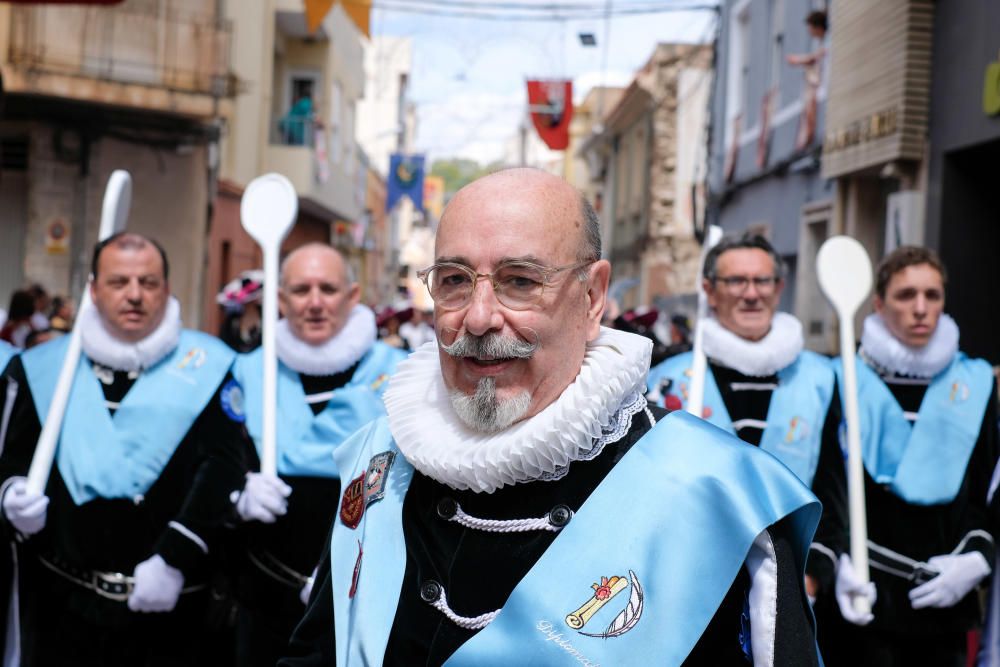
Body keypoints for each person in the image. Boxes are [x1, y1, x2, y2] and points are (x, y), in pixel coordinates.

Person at [279, 169, 823, 666]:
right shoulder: (382, 460)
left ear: (592, 297)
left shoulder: (717, 499)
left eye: (520, 281)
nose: (479, 316)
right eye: (453, 280)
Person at [0, 232, 250, 666]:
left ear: (167, 290)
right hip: (62, 608)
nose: (134, 295)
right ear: (94, 290)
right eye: (119, 282)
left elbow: (224, 467)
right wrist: (11, 493)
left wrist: (175, 556)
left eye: (148, 282)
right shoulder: (40, 367)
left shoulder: (210, 365)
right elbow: (12, 457)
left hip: (172, 612)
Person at [645, 234, 849, 630]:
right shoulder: (667, 380)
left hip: (791, 583)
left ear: (779, 288)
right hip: (690, 587)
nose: (751, 294)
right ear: (709, 290)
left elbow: (833, 487)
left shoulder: (821, 378)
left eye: (763, 281)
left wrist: (815, 573)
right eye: (737, 281)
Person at [230, 243, 406, 667]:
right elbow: (214, 463)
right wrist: (236, 494)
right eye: (300, 289)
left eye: (327, 289)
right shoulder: (244, 372)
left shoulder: (404, 375)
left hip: (366, 602)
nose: (313, 303)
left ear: (352, 295)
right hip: (265, 592)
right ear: (279, 300)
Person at [829, 246, 998, 666]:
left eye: (932, 295)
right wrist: (836, 561)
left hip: (946, 603)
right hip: (866, 599)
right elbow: (826, 489)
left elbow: (986, 492)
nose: (921, 309)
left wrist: (977, 557)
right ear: (879, 303)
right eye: (906, 296)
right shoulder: (841, 377)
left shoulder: (976, 382)